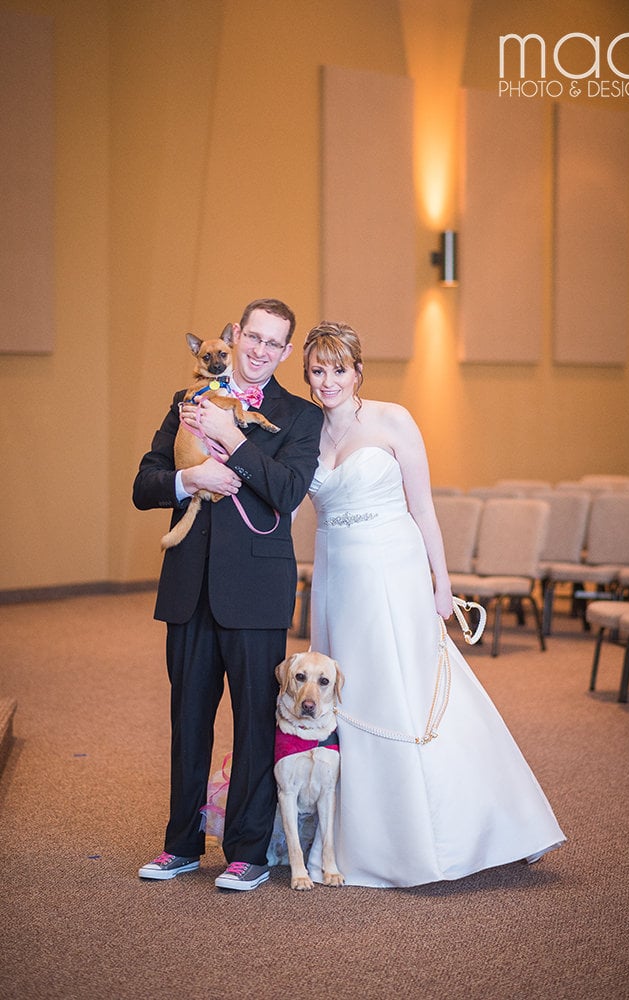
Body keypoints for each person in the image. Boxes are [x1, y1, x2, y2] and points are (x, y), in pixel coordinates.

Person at [300, 321, 565, 889]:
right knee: (351, 691)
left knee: (413, 689)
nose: (327, 381)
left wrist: (441, 583)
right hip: (337, 579)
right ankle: (355, 836)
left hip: (395, 573)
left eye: (337, 369)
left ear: (357, 370)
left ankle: (491, 824)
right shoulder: (304, 434)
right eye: (317, 371)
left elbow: (423, 509)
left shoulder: (394, 419)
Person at [133, 298, 323, 891]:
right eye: (254, 338)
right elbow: (145, 485)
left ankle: (246, 850)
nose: (260, 351)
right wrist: (191, 477)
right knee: (187, 721)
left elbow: (288, 492)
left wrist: (231, 441)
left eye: (275, 344)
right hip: (188, 589)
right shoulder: (186, 401)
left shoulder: (300, 416)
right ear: (237, 336)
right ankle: (180, 845)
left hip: (257, 592)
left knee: (253, 725)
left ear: (287, 352)